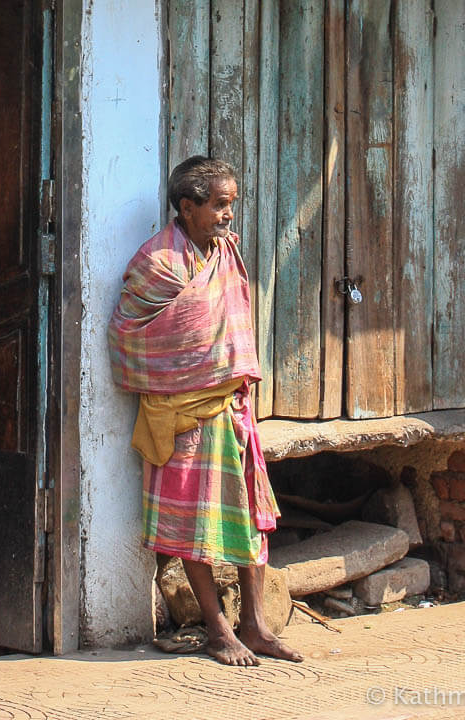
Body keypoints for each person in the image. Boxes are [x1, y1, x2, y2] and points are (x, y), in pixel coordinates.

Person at [107, 156, 303, 667]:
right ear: (187, 207)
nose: (227, 216)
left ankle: (255, 625)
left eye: (231, 206)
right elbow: (130, 336)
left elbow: (232, 324)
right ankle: (218, 631)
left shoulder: (226, 254)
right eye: (218, 206)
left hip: (232, 410)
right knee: (192, 526)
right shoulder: (157, 264)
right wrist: (193, 368)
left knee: (252, 517)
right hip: (183, 416)